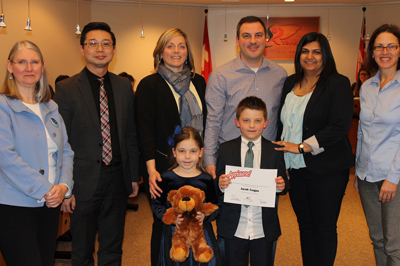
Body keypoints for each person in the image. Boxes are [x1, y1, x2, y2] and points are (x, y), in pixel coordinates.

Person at [54, 22, 139, 266]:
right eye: (92, 43)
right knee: (81, 249)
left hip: (117, 179)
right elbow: (61, 141)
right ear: (82, 49)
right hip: (82, 181)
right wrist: (65, 186)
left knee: (112, 246)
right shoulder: (66, 88)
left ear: (114, 49)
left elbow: (130, 135)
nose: (99, 49)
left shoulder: (124, 87)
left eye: (106, 43)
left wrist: (133, 175)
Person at [204, 15, 287, 265]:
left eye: (258, 35)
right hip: (231, 161)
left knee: (264, 225)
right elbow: (213, 121)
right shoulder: (221, 75)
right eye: (247, 36)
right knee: (231, 228)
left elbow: (281, 119)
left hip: (266, 164)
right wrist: (210, 159)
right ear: (238, 40)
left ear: (267, 39)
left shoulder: (280, 75)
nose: (253, 41)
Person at [273, 32, 354, 266]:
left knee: (324, 228)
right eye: (305, 51)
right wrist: (284, 163)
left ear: (325, 55)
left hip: (327, 169)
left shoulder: (338, 83)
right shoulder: (290, 82)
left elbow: (339, 126)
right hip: (296, 170)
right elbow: (284, 125)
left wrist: (301, 148)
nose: (310, 56)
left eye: (317, 51)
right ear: (298, 55)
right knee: (305, 226)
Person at [135, 28, 206, 266]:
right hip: (163, 169)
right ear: (160, 52)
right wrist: (151, 171)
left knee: (197, 219)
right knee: (166, 222)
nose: (176, 51)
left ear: (188, 52)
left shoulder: (200, 82)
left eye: (181, 46)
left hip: (196, 167)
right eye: (170, 46)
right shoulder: (149, 84)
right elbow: (144, 131)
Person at [0, 40, 74, 266]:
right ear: (10, 66)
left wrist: (64, 187)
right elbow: (6, 157)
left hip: (49, 205)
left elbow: (66, 152)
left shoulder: (51, 107)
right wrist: (47, 189)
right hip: (14, 206)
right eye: (21, 62)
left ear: (42, 66)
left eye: (34, 62)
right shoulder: (3, 106)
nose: (29, 68)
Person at [216, 96, 287, 266]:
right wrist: (220, 184)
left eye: (257, 120)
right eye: (246, 120)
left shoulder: (275, 151)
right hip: (234, 225)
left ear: (266, 122)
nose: (252, 125)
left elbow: (284, 185)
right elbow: (217, 185)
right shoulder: (226, 149)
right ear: (237, 122)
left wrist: (281, 186)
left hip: (262, 226)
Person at [354, 24, 400, 266]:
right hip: (366, 176)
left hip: (393, 177)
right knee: (378, 239)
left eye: (391, 46)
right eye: (380, 46)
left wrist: (393, 178)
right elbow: (362, 131)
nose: (385, 51)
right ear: (372, 52)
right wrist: (358, 169)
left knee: (395, 245)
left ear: (399, 50)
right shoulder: (367, 87)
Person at [151, 126, 220, 266]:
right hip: (173, 233)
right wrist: (170, 217)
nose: (187, 156)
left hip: (201, 233)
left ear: (201, 152)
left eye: (192, 151)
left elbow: (216, 205)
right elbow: (156, 204)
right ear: (174, 152)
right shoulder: (165, 178)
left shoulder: (207, 179)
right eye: (182, 151)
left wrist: (206, 216)